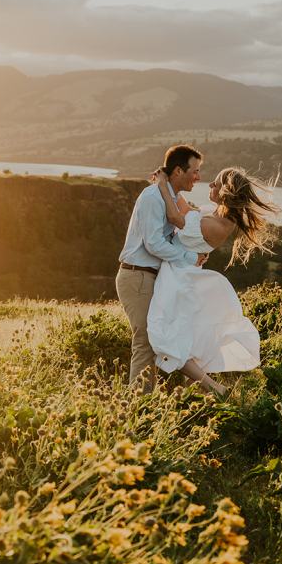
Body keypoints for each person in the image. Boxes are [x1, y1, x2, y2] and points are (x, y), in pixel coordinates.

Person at [147, 166, 280, 397]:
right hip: (180, 274)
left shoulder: (216, 225)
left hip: (179, 280)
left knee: (166, 339)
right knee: (181, 339)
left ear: (226, 191)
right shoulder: (216, 215)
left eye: (216, 184)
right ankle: (193, 397)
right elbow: (186, 210)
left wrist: (163, 185)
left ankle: (214, 388)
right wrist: (171, 185)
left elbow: (176, 216)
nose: (210, 185)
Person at [116, 144, 208, 393]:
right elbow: (154, 243)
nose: (198, 177)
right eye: (195, 171)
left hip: (154, 277)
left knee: (158, 339)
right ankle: (137, 406)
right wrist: (190, 257)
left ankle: (149, 400)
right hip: (138, 275)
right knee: (145, 342)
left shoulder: (171, 198)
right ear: (178, 170)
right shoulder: (152, 197)